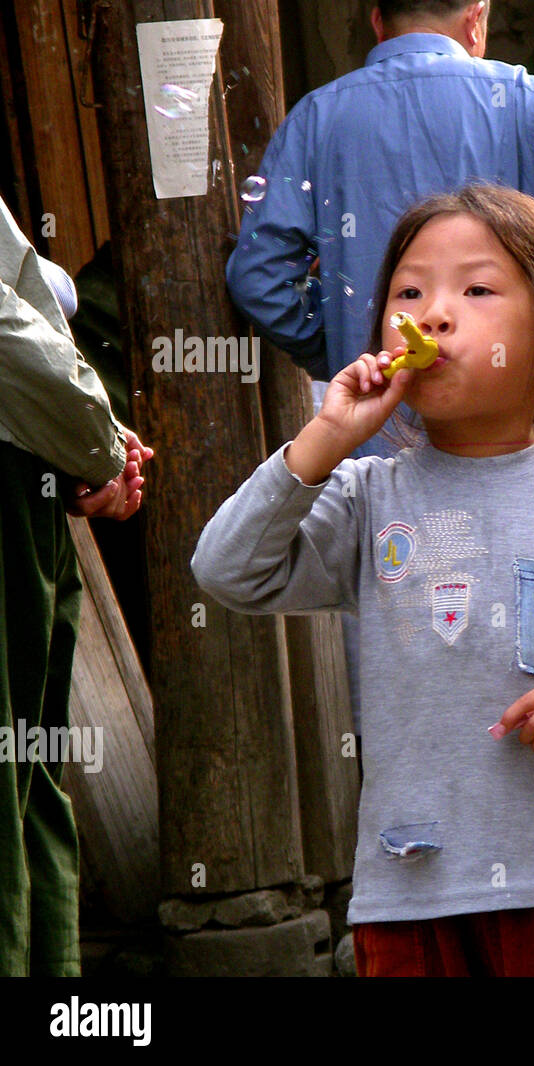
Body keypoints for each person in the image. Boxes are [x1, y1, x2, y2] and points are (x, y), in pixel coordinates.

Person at [193, 185, 534, 977]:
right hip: (411, 894)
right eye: (410, 293)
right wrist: (324, 439)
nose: (432, 314)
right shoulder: (368, 496)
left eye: (475, 290)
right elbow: (226, 569)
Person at [226, 0, 534, 454]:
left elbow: (258, 276)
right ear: (476, 18)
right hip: (521, 436)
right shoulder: (519, 98)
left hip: (380, 435)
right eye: (410, 292)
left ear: (378, 22)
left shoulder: (317, 116)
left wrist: (346, 341)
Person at [1, 194, 153, 976]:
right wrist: (95, 440)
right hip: (21, 460)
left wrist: (92, 439)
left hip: (34, 460)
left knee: (29, 775)